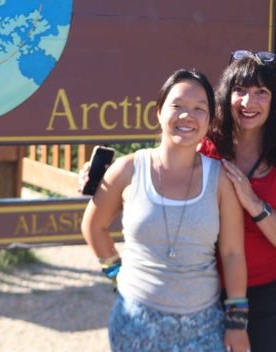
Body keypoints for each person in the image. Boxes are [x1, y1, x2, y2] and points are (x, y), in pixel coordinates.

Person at [80, 69, 251, 352]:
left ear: (209, 120)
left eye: (199, 109)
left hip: (203, 326)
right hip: (135, 321)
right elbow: (93, 225)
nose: (187, 116)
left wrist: (237, 324)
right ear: (159, 112)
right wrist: (115, 272)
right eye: (178, 106)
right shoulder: (128, 169)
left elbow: (233, 253)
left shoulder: (220, 179)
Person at [199, 50, 276, 352]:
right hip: (202, 292)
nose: (248, 103)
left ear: (274, 100)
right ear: (227, 94)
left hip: (266, 298)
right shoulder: (205, 149)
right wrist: (107, 181)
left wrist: (255, 205)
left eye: (261, 92)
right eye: (240, 90)